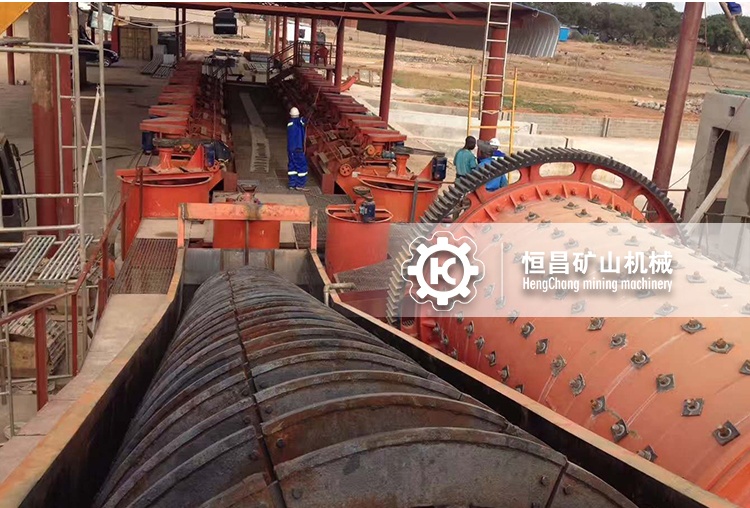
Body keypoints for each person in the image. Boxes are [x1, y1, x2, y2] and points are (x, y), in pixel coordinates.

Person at [287, 107, 309, 191]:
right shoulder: (298, 122)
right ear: (298, 114)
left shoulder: (290, 123)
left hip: (290, 149)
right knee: (302, 167)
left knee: (292, 166)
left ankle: (292, 184)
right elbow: (304, 119)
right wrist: (310, 110)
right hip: (297, 149)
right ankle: (300, 185)